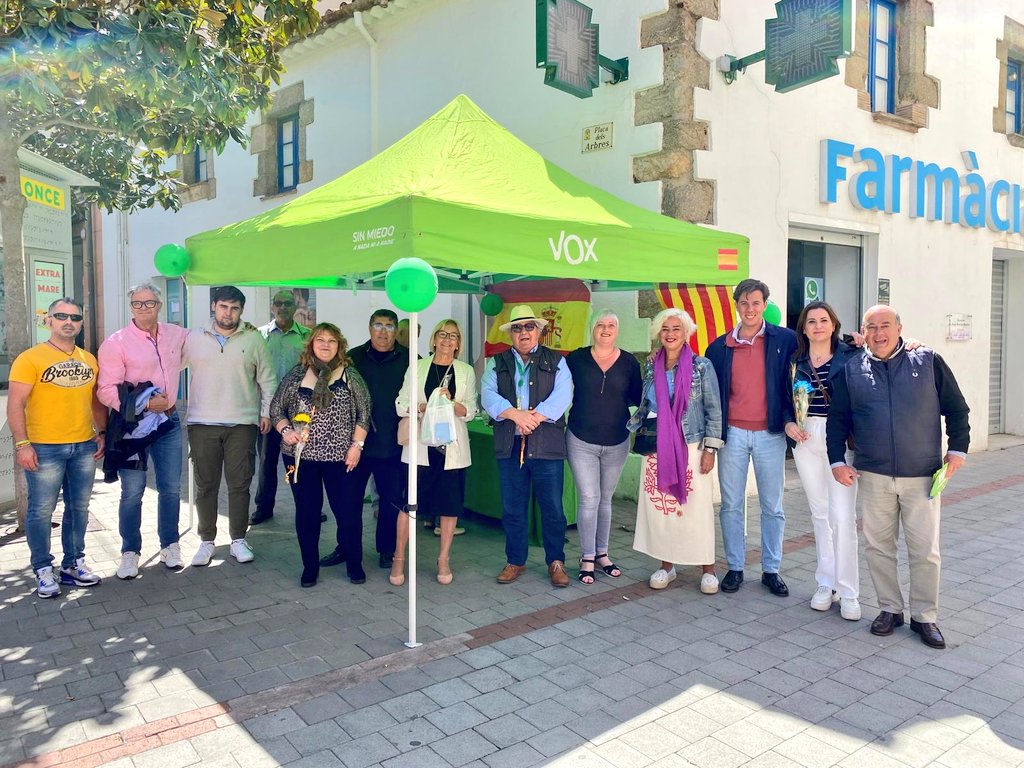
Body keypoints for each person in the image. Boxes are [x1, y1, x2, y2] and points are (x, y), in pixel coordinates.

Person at [828, 305, 970, 649]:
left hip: (921, 475)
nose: (878, 333)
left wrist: (958, 450)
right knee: (878, 547)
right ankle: (890, 609)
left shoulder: (927, 360)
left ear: (899, 327)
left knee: (925, 551)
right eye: (871, 327)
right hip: (873, 473)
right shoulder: (852, 371)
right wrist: (836, 460)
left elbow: (956, 408)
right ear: (864, 330)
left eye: (885, 325)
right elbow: (838, 420)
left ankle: (925, 616)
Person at [7, 298, 106, 598]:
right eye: (61, 316)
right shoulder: (30, 359)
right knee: (41, 510)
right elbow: (15, 406)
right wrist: (23, 444)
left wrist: (100, 432)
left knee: (79, 509)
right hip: (45, 448)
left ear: (81, 323)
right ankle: (42, 569)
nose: (68, 322)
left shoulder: (89, 359)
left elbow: (95, 401)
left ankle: (73, 564)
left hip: (83, 447)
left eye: (75, 317)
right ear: (48, 320)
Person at [705, 278, 798, 596]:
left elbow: (820, 352)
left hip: (770, 434)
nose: (750, 309)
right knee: (731, 505)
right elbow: (711, 394)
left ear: (765, 305)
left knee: (773, 506)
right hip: (731, 435)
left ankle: (772, 570)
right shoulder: (718, 347)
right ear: (736, 306)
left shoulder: (785, 340)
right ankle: (735, 567)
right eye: (744, 303)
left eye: (756, 302)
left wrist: (855, 344)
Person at [97, 283, 188, 578]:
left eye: (149, 303)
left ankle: (170, 545)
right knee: (132, 491)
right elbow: (106, 390)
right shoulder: (116, 342)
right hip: (133, 429)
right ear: (131, 307)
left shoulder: (176, 334)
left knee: (171, 488)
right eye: (138, 304)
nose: (144, 308)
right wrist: (146, 403)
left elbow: (204, 344)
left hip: (169, 425)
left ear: (159, 305)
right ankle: (130, 551)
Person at [270, 324, 371, 587]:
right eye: (320, 340)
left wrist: (356, 446)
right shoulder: (296, 376)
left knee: (348, 513)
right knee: (307, 513)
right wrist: (286, 430)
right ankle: (310, 568)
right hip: (301, 459)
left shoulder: (350, 376)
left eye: (332, 341)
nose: (326, 345)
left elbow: (364, 413)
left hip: (342, 458)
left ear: (340, 346)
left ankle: (354, 563)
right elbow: (276, 409)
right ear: (311, 344)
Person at [481, 304, 573, 588]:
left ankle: (556, 562)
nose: (524, 332)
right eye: (518, 328)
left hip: (546, 446)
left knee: (553, 509)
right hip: (510, 446)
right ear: (511, 333)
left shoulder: (556, 360)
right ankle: (515, 560)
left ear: (539, 331)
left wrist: (532, 418)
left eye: (529, 327)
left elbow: (563, 395)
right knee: (513, 508)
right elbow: (487, 394)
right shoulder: (496, 362)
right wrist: (515, 415)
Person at [184, 285, 277, 567]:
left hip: (242, 423)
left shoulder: (254, 338)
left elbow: (268, 379)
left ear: (241, 311)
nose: (228, 313)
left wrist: (266, 412)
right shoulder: (194, 337)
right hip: (202, 422)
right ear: (214, 306)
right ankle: (206, 541)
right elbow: (166, 367)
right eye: (224, 306)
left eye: (235, 308)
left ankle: (238, 539)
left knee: (240, 484)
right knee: (206, 485)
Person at [632, 309, 723, 593]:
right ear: (659, 334)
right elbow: (646, 405)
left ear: (686, 333)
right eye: (665, 329)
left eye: (676, 329)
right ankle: (667, 566)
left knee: (696, 509)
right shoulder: (650, 366)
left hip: (692, 445)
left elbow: (713, 410)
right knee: (664, 510)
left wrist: (710, 449)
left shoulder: (701, 366)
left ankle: (707, 568)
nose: (670, 334)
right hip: (657, 446)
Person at [784, 301, 861, 620]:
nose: (817, 325)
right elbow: (783, 398)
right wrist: (789, 423)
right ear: (803, 327)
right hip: (806, 437)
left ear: (834, 325)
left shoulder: (853, 355)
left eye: (823, 320)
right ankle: (825, 582)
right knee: (819, 514)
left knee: (842, 516)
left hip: (840, 438)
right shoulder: (795, 361)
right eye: (811, 321)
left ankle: (849, 591)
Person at [393, 319, 478, 586]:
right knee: (409, 505)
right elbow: (400, 403)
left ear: (458, 343)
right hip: (421, 447)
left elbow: (472, 410)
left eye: (453, 336)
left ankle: (443, 559)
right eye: (442, 334)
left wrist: (453, 403)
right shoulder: (417, 367)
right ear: (433, 339)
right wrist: (420, 406)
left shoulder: (465, 372)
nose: (447, 340)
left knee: (450, 507)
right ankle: (398, 558)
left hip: (450, 449)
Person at [321, 309, 408, 571]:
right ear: (369, 328)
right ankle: (346, 547)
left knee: (391, 501)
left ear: (396, 330)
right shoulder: (352, 359)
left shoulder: (410, 360)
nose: (383, 331)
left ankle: (387, 549)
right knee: (348, 501)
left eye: (389, 326)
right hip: (354, 447)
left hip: (392, 445)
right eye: (378, 325)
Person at [565, 310, 642, 584]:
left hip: (617, 440)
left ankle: (602, 554)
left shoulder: (630, 362)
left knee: (605, 499)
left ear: (617, 331)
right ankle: (586, 556)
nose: (605, 329)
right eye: (600, 324)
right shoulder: (575, 359)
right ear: (592, 329)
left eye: (611, 325)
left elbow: (640, 398)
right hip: (580, 438)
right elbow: (558, 387)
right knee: (589, 498)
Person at [252, 289, 311, 525]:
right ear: (272, 307)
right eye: (279, 303)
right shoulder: (259, 336)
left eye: (288, 303)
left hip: (299, 413)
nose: (283, 308)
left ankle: (309, 508)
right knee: (267, 461)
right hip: (267, 411)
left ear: (295, 306)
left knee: (302, 462)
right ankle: (264, 508)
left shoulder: (307, 337)